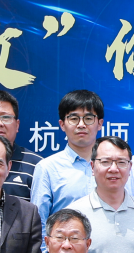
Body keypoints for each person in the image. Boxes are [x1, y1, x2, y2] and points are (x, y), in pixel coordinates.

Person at [31, 90, 106, 223]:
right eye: (74, 119)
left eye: (88, 118)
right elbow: (38, 222)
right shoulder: (47, 168)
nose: (81, 125)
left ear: (99, 124)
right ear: (62, 124)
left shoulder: (114, 166)